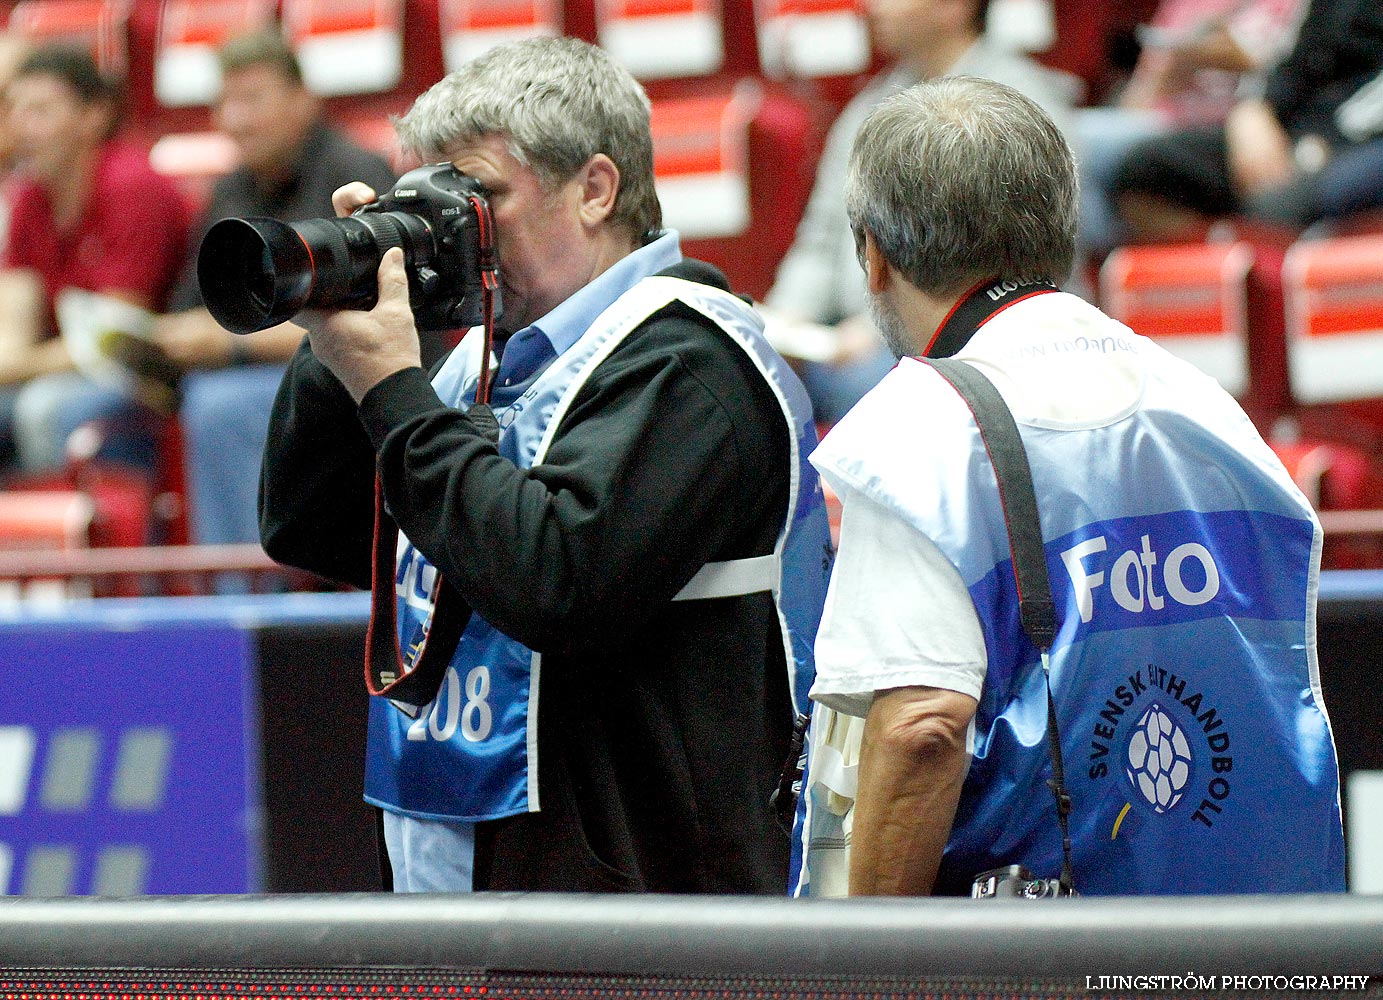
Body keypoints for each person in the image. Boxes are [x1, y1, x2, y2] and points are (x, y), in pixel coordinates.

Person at [258, 37, 832, 893]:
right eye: (431, 199)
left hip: (642, 898)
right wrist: (346, 333)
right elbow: (313, 528)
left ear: (595, 189)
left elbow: (555, 575)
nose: (455, 229)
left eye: (479, 196)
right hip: (467, 865)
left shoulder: (687, 361)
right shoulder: (478, 362)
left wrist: (394, 392)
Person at [793, 76, 1344, 897]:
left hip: (1036, 960)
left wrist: (848, 963)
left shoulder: (915, 434)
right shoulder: (1204, 406)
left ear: (872, 255)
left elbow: (916, 730)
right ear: (1056, 228)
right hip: (1246, 937)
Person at [762, 0, 1077, 424]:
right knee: (754, 378)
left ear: (954, 8)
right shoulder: (865, 110)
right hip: (857, 337)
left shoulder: (1024, 105)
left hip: (980, 338)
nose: (873, 8)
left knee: (871, 383)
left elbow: (1020, 260)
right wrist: (782, 326)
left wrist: (875, 330)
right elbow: (820, 239)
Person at [151, 30, 395, 548]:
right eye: (226, 102)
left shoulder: (355, 175)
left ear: (303, 102)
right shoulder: (230, 189)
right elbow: (193, 307)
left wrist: (229, 344)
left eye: (252, 99)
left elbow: (373, 315)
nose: (236, 118)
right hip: (251, 376)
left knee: (217, 407)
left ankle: (243, 593)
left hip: (355, 376)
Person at [0, 45, 188, 476]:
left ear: (94, 116)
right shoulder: (29, 196)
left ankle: (75, 538)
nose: (21, 128)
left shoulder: (132, 186)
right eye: (15, 111)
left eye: (40, 111)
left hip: (153, 373)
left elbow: (114, 339)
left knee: (42, 409)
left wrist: (12, 367)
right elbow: (14, 322)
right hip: (62, 365)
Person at [1111, 0, 1383, 243]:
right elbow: (1299, 61)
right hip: (1292, 126)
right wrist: (1256, 109)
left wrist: (1324, 140)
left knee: (1279, 204)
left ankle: (1270, 271)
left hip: (1355, 139)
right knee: (1146, 168)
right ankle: (1226, 272)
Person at [1075, 0, 1304, 257]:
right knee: (1072, 141)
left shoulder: (1285, 6)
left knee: (1086, 148)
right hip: (1165, 123)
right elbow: (1135, 104)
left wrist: (1235, 58)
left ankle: (1091, 275)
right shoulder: (1186, 5)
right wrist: (1171, 72)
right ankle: (1096, 273)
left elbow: (1298, 73)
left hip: (1238, 125)